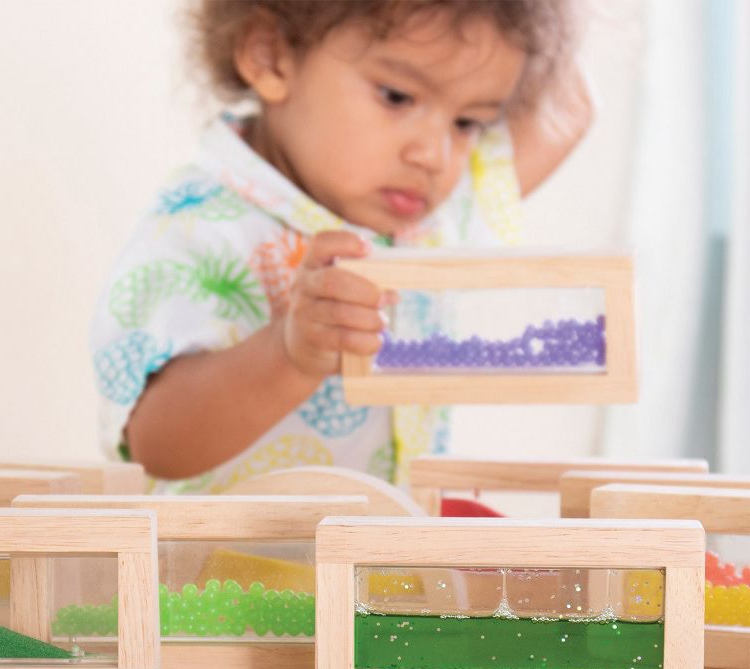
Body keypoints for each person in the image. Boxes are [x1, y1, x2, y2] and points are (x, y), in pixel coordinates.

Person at [91, 0, 592, 494]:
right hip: (231, 552)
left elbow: (569, 110)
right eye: (397, 96)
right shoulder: (199, 224)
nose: (433, 155)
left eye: (467, 123)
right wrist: (288, 356)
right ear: (270, 56)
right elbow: (152, 445)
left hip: (384, 547)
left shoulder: (431, 221)